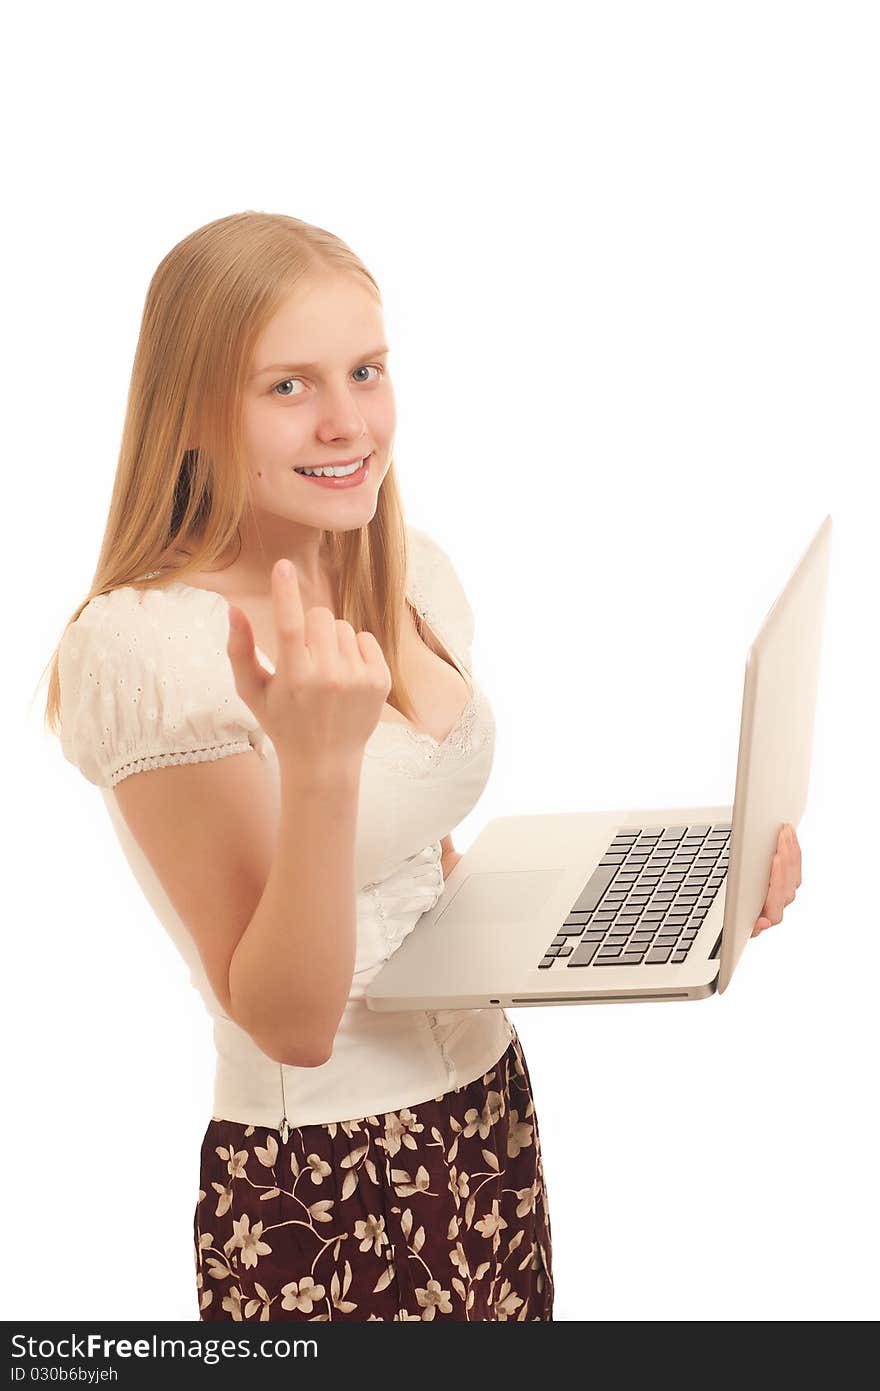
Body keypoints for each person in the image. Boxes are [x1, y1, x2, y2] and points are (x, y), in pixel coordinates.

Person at [44, 211, 802, 1323]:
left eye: (365, 369)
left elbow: (422, 878)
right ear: (193, 410)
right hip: (321, 1175)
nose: (348, 419)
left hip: (486, 1119)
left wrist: (688, 910)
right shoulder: (148, 646)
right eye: (288, 386)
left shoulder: (398, 568)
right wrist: (317, 765)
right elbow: (287, 1020)